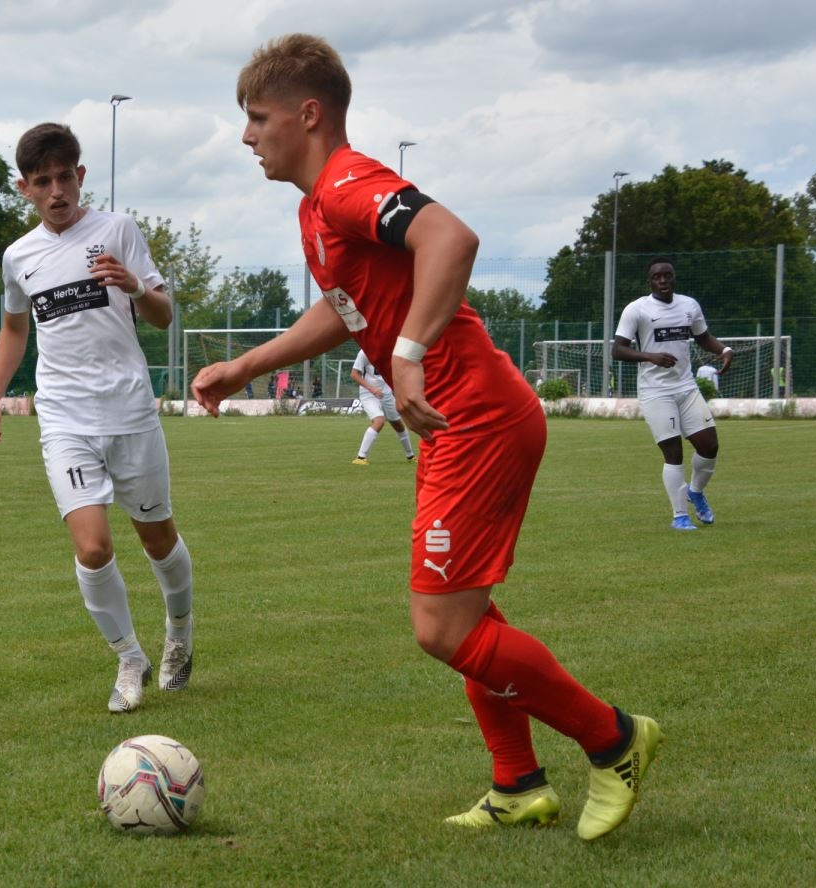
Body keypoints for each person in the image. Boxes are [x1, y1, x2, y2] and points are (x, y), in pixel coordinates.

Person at [192, 33, 660, 841]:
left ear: (309, 115)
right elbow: (345, 311)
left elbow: (451, 237)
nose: (246, 136)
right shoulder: (316, 209)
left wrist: (406, 355)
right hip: (453, 422)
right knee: (468, 616)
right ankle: (518, 784)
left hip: (476, 415)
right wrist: (245, 366)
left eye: (258, 118)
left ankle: (614, 740)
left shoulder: (347, 183)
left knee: (442, 628)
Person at [0, 123, 194, 713]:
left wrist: (135, 285)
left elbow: (162, 315)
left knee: (157, 538)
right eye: (41, 181)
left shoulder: (118, 230)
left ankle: (179, 630)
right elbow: (14, 329)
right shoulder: (18, 256)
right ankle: (129, 657)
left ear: (81, 176)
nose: (56, 192)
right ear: (24, 188)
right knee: (93, 548)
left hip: (130, 411)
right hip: (64, 417)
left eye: (64, 178)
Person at [612, 257, 732, 531]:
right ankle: (680, 516)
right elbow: (617, 349)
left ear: (674, 278)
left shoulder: (689, 305)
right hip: (655, 391)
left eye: (667, 275)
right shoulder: (637, 309)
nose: (663, 280)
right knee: (673, 452)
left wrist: (724, 350)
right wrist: (650, 356)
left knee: (709, 446)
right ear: (649, 281)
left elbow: (703, 337)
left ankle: (695, 492)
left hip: (686, 387)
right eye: (657, 277)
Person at [350, 348, 416, 464]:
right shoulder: (364, 352)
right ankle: (360, 458)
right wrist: (372, 388)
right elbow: (354, 375)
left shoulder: (392, 350)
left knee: (398, 424)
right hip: (368, 394)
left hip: (386, 393)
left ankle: (410, 456)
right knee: (379, 421)